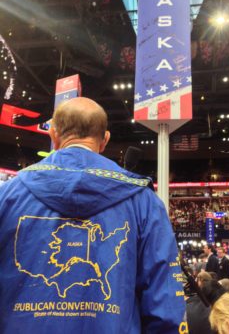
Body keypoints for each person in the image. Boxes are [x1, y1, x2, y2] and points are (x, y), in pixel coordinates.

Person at [0, 97, 186, 334]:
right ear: (104, 139)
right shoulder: (145, 202)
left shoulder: (6, 196)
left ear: (54, 136)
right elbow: (166, 309)